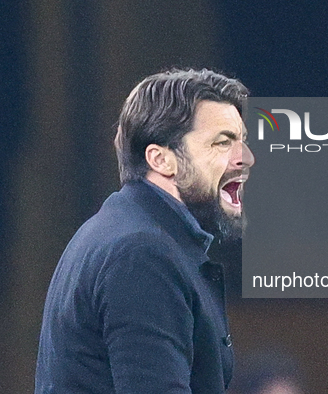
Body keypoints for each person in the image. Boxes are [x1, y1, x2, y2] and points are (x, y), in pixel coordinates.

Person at [35, 68, 255, 393]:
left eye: (242, 142)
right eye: (222, 143)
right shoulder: (141, 253)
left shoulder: (123, 232)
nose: (245, 158)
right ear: (162, 160)